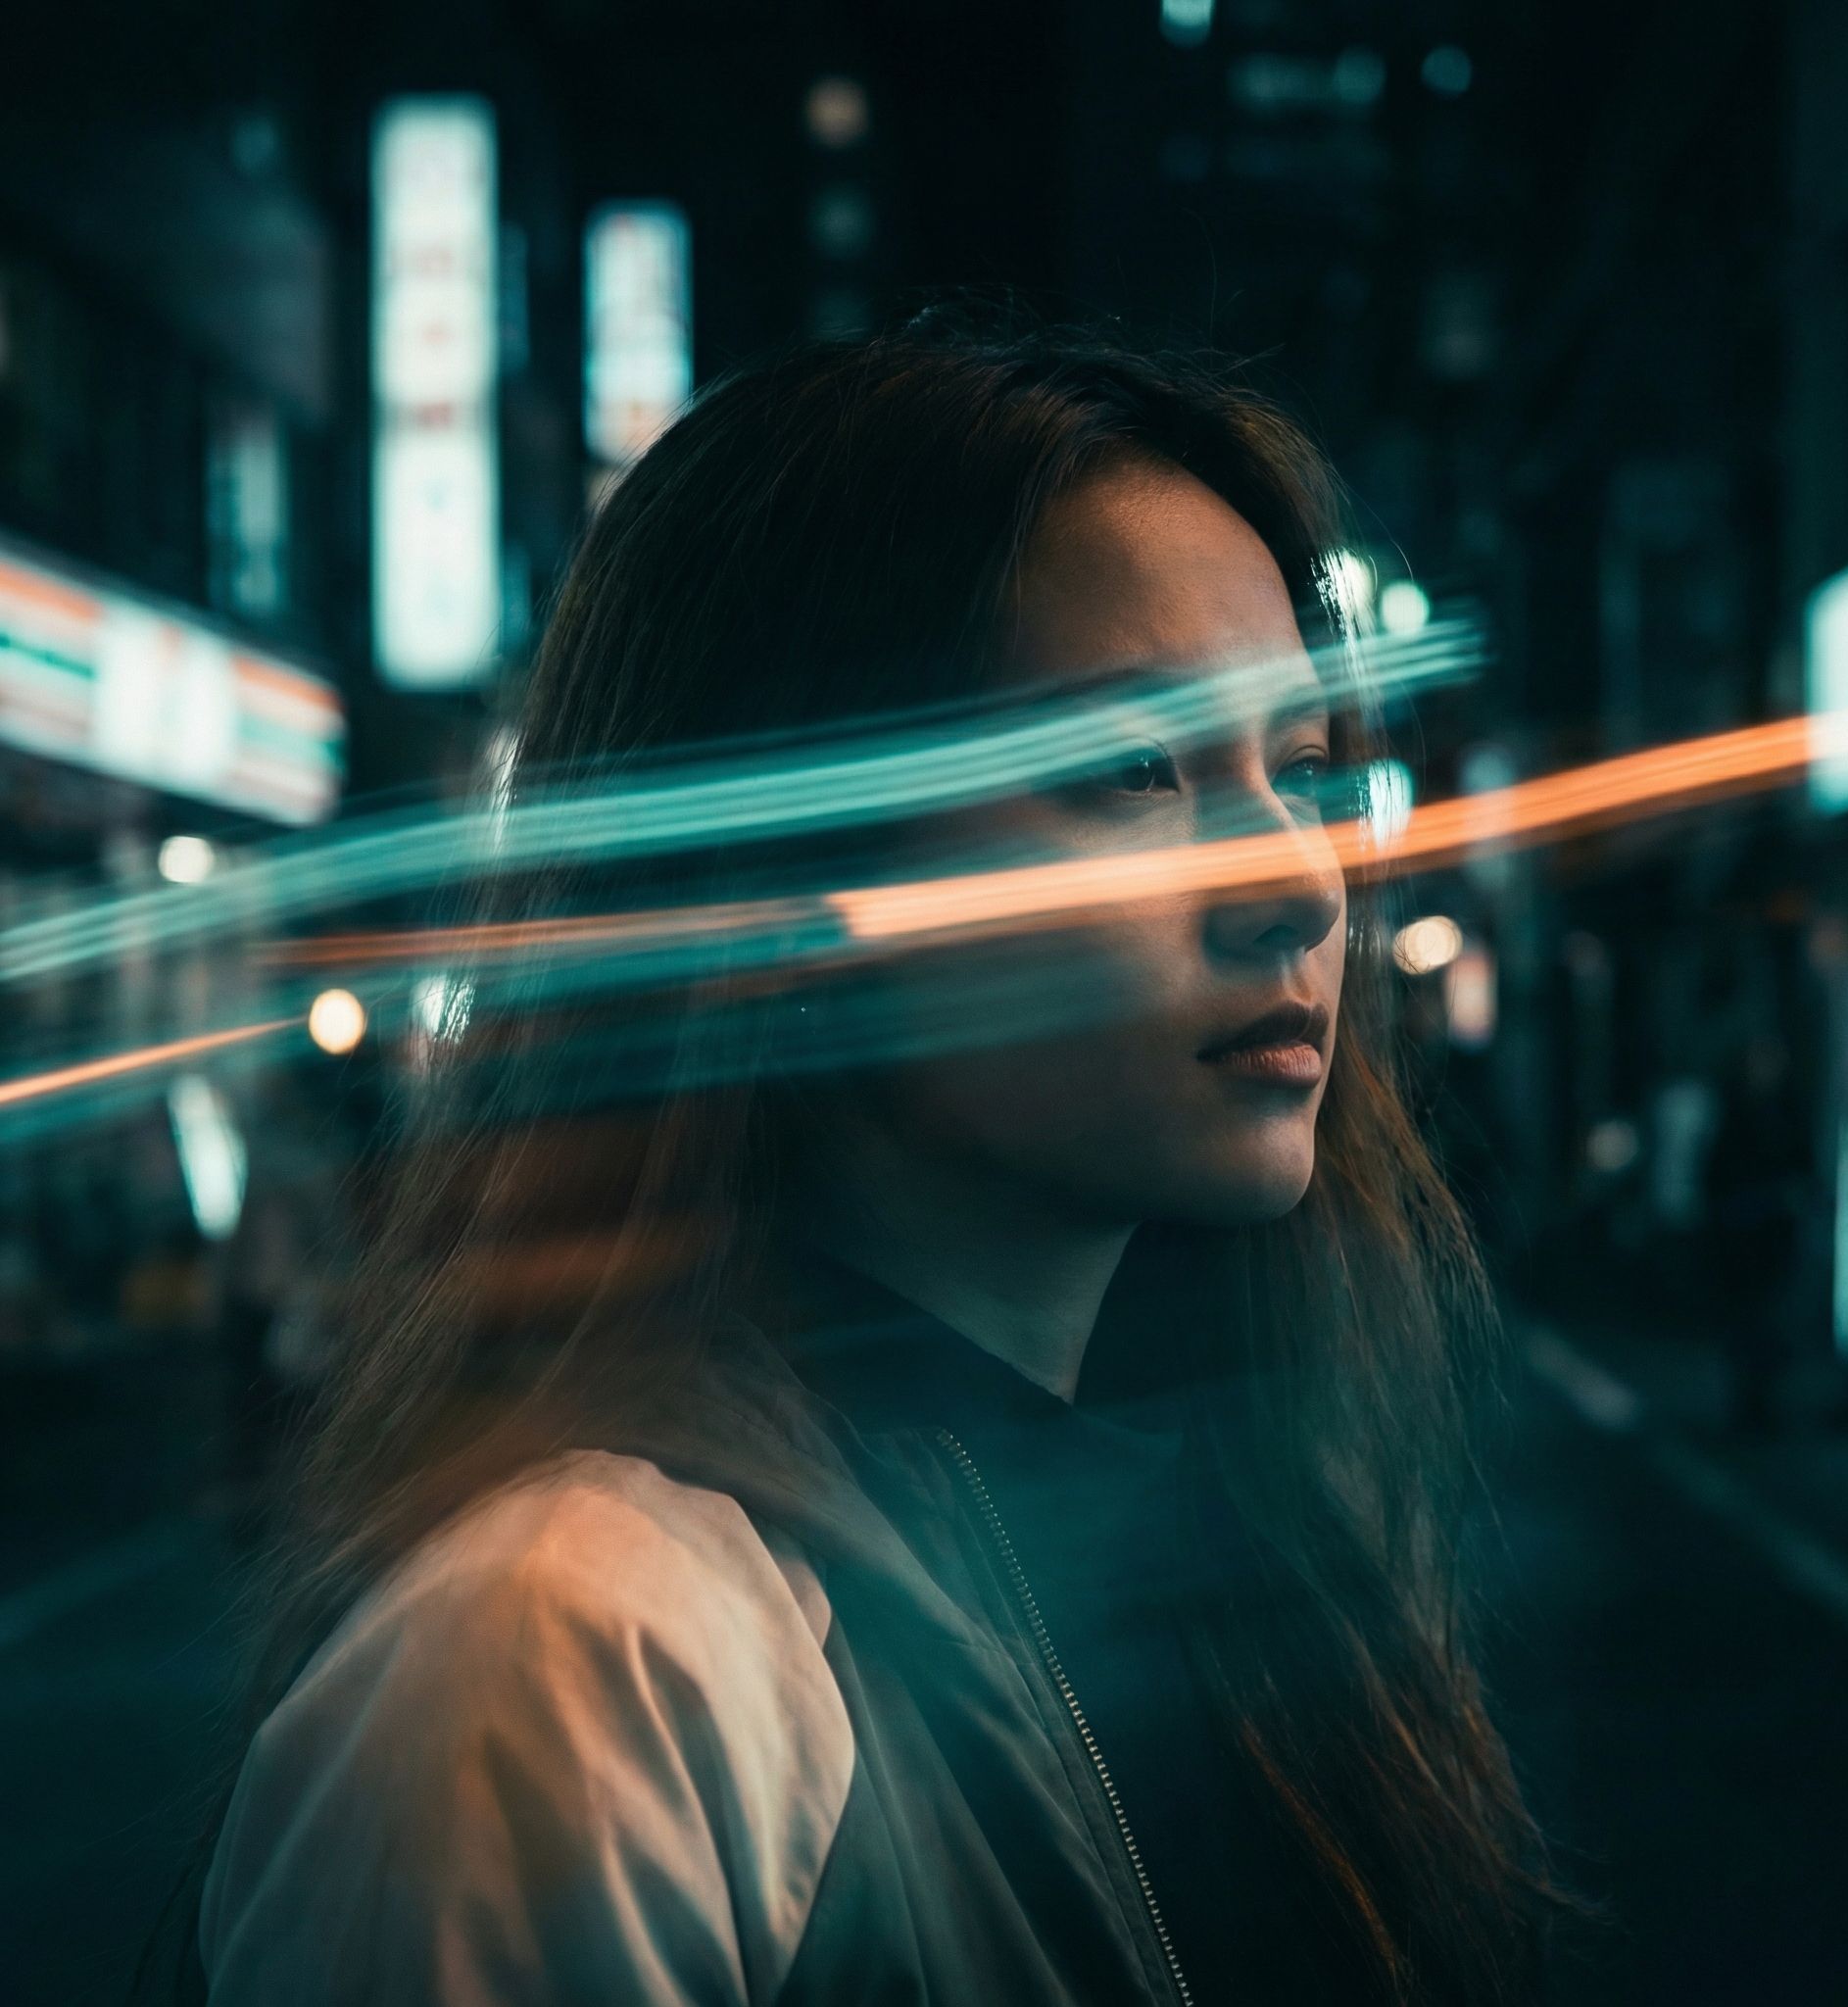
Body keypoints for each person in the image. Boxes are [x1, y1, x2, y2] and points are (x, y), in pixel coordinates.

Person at [148, 312, 1565, 2005]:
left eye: (1305, 772)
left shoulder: (1236, 1531)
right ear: (798, 886)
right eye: (1129, 770)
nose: (1297, 883)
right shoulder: (575, 1666)